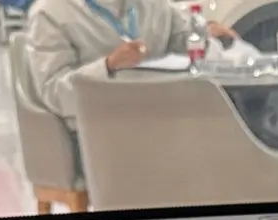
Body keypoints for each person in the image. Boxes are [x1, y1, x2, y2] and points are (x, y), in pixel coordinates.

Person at [24, 0, 235, 126]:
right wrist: (107, 67)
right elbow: (52, 92)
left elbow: (183, 33)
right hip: (102, 128)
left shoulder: (153, 4)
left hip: (166, 113)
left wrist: (205, 33)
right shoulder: (50, 12)